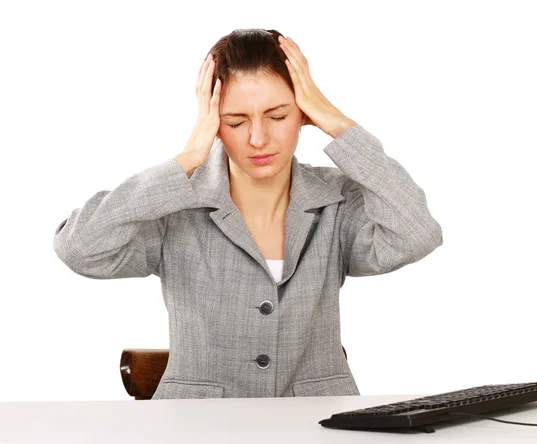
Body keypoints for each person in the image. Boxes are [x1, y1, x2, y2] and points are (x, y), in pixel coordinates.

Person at [53, 28, 443, 399]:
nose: (258, 138)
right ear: (212, 122)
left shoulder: (337, 202)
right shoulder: (173, 205)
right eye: (236, 122)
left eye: (278, 116)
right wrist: (187, 159)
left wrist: (340, 126)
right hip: (199, 427)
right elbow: (80, 249)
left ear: (304, 114)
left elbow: (417, 234)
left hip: (318, 422)